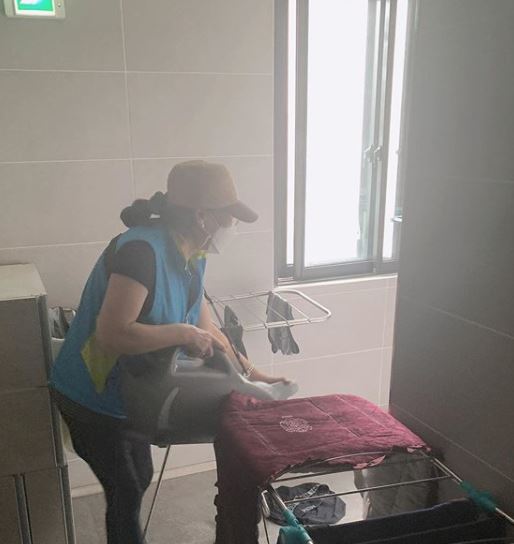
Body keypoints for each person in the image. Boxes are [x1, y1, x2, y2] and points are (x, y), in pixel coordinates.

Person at [49, 160, 290, 544]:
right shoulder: (141, 252)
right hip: (90, 393)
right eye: (228, 216)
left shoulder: (193, 254)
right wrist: (182, 333)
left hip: (129, 391)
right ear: (201, 216)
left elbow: (209, 330)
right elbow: (112, 334)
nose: (232, 226)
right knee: (126, 488)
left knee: (138, 476)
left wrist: (255, 377)